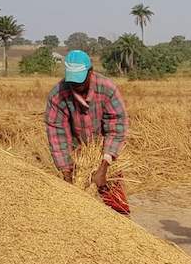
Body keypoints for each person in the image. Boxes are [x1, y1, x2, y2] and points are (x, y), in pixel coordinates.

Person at [44, 50, 129, 190]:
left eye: (80, 80)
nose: (76, 86)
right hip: (78, 156)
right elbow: (58, 136)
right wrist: (67, 174)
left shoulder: (107, 89)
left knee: (115, 202)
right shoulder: (57, 95)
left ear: (90, 72)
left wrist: (104, 167)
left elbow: (116, 127)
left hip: (107, 153)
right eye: (72, 81)